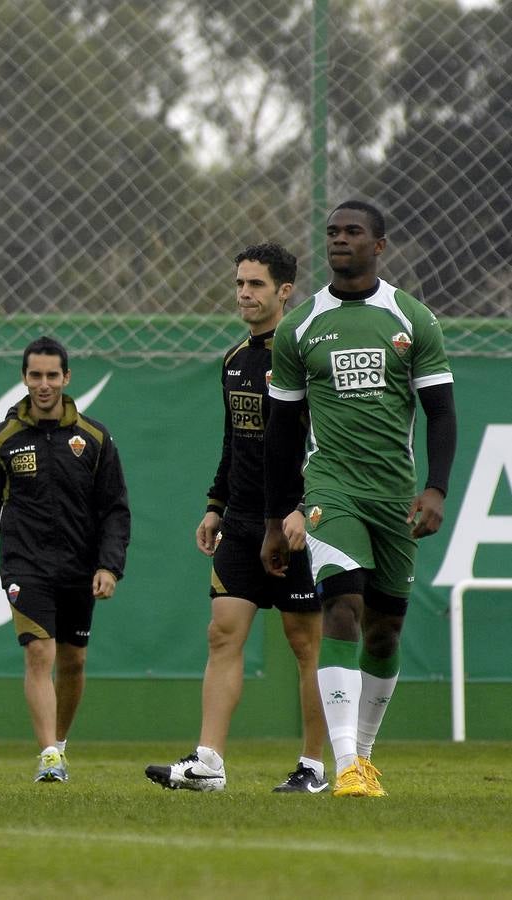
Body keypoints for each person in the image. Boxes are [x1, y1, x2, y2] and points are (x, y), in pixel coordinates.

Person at [261, 200, 456, 798]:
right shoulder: (300, 328)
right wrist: (275, 520)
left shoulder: (412, 318)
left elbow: (441, 413)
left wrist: (436, 487)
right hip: (330, 488)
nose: (340, 241)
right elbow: (282, 433)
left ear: (381, 245)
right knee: (342, 605)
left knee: (385, 629)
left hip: (395, 496)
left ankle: (363, 755)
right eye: (332, 233)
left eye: (353, 232)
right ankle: (344, 763)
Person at [145, 244, 328, 793]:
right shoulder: (234, 361)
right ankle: (209, 762)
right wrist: (214, 506)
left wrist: (301, 509)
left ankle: (314, 767)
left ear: (285, 292)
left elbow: (324, 445)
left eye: (256, 285)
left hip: (298, 525)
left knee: (306, 646)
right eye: (240, 284)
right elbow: (234, 442)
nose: (245, 294)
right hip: (243, 521)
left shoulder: (306, 360)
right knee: (223, 635)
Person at [0, 336, 131, 783]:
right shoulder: (1, 439)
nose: (43, 384)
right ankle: (48, 757)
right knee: (40, 653)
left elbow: (114, 507)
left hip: (80, 566)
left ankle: (58, 744)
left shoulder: (95, 438)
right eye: (35, 375)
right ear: (24, 378)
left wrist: (108, 565)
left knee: (73, 662)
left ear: (66, 378)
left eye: (51, 376)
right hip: (25, 564)